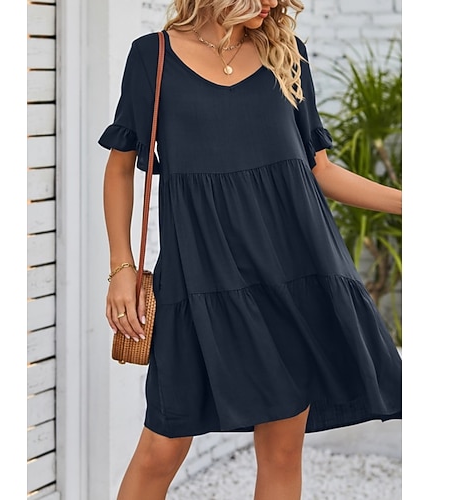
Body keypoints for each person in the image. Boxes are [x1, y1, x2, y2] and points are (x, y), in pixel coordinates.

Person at [98, 0, 402, 498]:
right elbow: (119, 169)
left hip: (293, 274)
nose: (272, 4)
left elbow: (321, 171)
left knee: (281, 451)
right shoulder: (152, 58)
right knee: (161, 448)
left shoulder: (287, 54)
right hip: (198, 277)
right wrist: (121, 268)